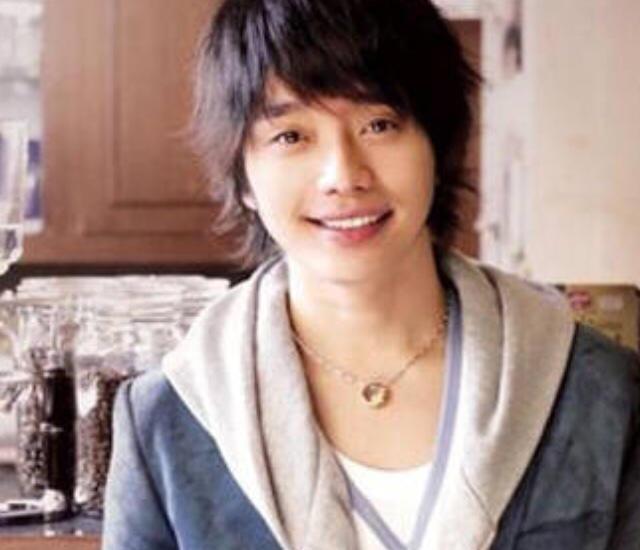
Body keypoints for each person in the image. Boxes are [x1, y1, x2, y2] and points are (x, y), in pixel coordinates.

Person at [102, 0, 640, 548]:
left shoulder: (597, 390)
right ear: (243, 176)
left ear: (438, 146)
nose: (343, 175)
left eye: (379, 124)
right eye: (291, 136)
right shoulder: (167, 420)